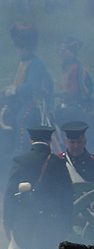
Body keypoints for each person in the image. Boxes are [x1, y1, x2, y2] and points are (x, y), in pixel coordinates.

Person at [2, 126, 72, 249]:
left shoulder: (21, 160)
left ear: (31, 141)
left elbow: (10, 195)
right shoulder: (58, 163)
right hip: (49, 224)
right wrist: (66, 227)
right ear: (49, 142)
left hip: (23, 222)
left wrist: (7, 223)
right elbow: (67, 198)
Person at [1, 24, 54, 156]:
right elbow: (20, 83)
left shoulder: (35, 63)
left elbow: (32, 86)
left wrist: (14, 90)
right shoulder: (23, 62)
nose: (17, 51)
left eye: (19, 48)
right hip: (22, 101)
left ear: (25, 47)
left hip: (34, 102)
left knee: (21, 120)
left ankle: (21, 150)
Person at [58, 121, 94, 186]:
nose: (76, 146)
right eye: (72, 142)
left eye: (79, 142)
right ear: (66, 143)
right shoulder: (58, 162)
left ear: (85, 142)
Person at [56, 36, 93, 113]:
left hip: (77, 106)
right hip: (66, 105)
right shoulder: (65, 67)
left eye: (63, 50)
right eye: (60, 50)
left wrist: (56, 94)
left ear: (72, 53)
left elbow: (73, 90)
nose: (61, 53)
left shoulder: (76, 68)